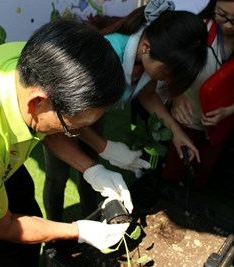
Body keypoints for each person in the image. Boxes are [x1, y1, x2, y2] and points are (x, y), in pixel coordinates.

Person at [0, 18, 131, 266]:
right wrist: (79, 231)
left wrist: (92, 169)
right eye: (75, 128)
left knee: (27, 210)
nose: (80, 133)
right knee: (5, 254)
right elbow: (4, 227)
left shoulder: (38, 63)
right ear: (36, 103)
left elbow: (44, 128)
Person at [43, 0, 208, 220]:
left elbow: (148, 94)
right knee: (58, 175)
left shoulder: (149, 53)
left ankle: (89, 214)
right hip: (60, 113)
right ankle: (55, 230)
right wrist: (106, 147)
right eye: (167, 72)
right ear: (146, 47)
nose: (166, 80)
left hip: (91, 112)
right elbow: (66, 117)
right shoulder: (107, 54)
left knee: (90, 168)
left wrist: (176, 130)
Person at [163, 0, 234, 190]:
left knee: (204, 169)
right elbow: (167, 68)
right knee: (175, 166)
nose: (228, 24)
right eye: (221, 14)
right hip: (188, 113)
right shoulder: (197, 28)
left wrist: (228, 111)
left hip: (224, 120)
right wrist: (177, 95)